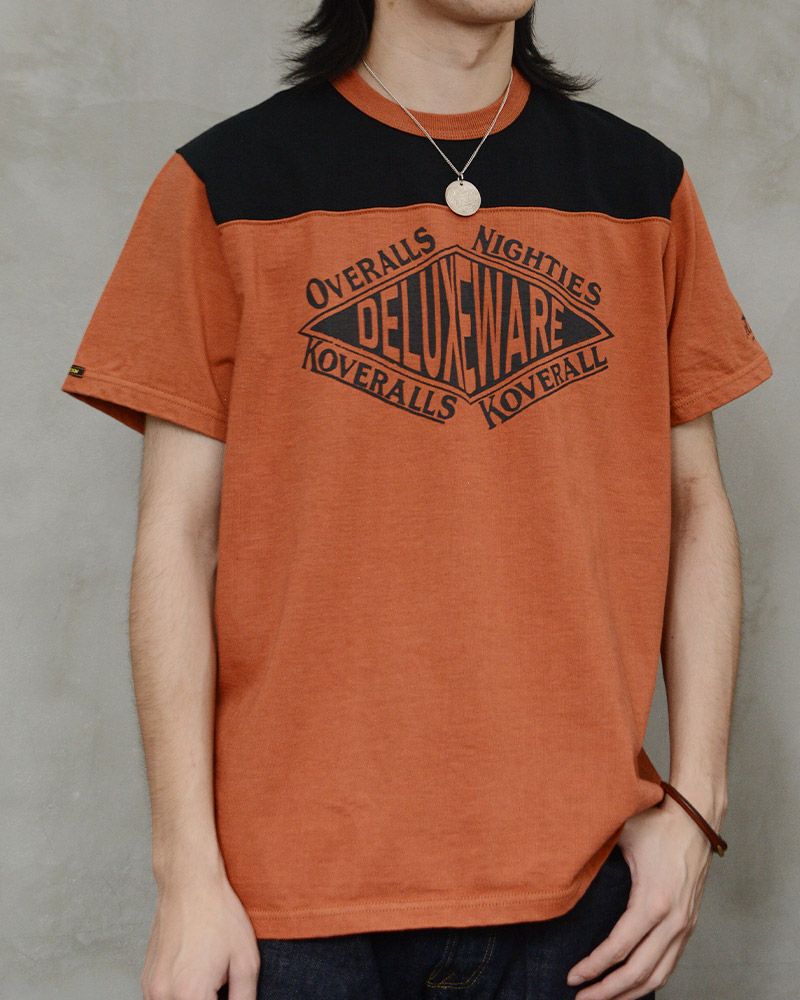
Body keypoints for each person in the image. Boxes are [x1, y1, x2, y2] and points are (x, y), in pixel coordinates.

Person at [60, 1, 773, 998]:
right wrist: (187, 876)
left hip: (578, 897)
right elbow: (177, 539)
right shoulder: (229, 185)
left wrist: (696, 806)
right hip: (289, 906)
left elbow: (695, 508)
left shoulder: (637, 188)